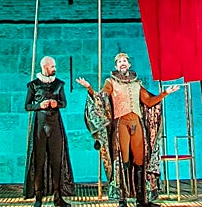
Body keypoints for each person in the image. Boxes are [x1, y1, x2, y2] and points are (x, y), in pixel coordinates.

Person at [77, 52, 180, 207]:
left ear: (129, 64)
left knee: (140, 160)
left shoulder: (137, 83)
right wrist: (90, 88)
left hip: (137, 123)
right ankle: (122, 199)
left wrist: (166, 93)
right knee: (122, 160)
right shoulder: (110, 81)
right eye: (119, 62)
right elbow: (102, 97)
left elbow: (149, 102)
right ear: (116, 66)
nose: (122, 63)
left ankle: (141, 200)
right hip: (121, 124)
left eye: (124, 61)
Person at [24, 55, 75, 207]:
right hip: (40, 126)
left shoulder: (59, 84)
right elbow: (27, 106)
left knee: (56, 162)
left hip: (55, 126)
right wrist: (40, 105)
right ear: (45, 67)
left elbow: (64, 103)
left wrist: (56, 103)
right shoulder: (33, 85)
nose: (55, 69)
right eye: (52, 66)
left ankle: (58, 197)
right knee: (39, 161)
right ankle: (38, 197)